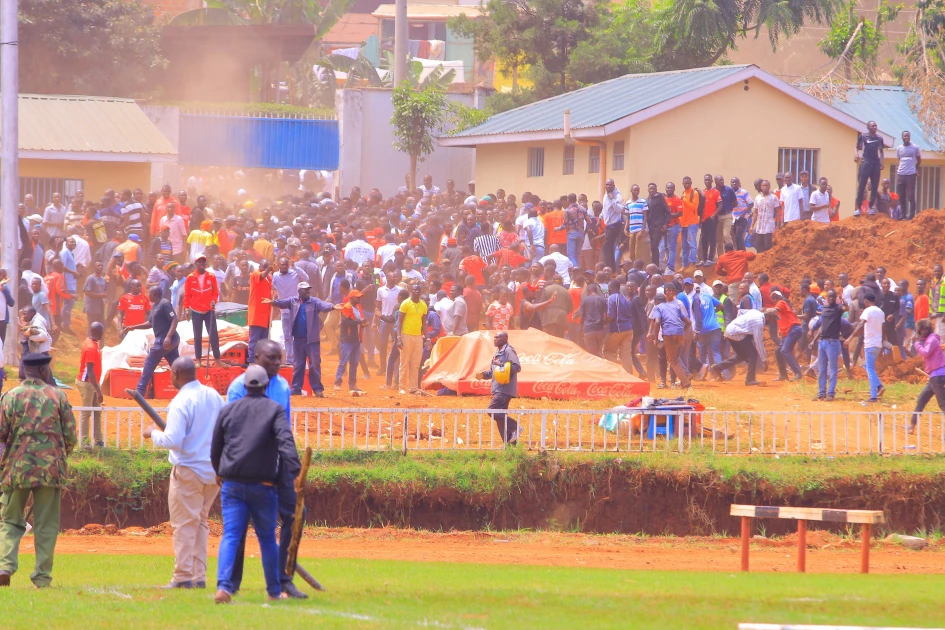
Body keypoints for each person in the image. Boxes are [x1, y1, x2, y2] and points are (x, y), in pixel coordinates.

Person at [212, 364, 301, 604]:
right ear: (265, 385)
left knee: (230, 535)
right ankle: (273, 591)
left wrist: (219, 472)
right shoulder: (274, 410)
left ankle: (223, 586)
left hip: (232, 483)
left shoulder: (228, 410)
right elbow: (285, 442)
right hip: (263, 485)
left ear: (244, 385)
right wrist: (296, 471)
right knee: (267, 538)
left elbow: (216, 447)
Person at [144, 357, 223, 590]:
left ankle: (182, 577)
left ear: (176, 374)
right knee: (200, 522)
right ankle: (198, 576)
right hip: (213, 471)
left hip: (189, 470)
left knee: (184, 525)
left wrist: (152, 433)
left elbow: (173, 440)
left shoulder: (180, 402)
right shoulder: (214, 396)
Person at [0, 352, 76, 588]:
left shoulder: (10, 396)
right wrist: (59, 455)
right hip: (50, 470)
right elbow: (71, 437)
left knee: (10, 520)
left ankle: (5, 566)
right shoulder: (58, 396)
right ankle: (42, 577)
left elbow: (1, 435)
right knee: (46, 525)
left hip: (16, 468)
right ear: (44, 371)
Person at [269, 282, 340, 397]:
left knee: (315, 364)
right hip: (298, 338)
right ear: (299, 291)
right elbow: (283, 302)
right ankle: (296, 388)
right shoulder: (293, 301)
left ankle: (317, 389)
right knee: (299, 364)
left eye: (308, 289)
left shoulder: (314, 301)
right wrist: (273, 302)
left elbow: (323, 305)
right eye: (305, 290)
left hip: (312, 339)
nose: (308, 291)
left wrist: (332, 306)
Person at [130, 286, 180, 397]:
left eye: (149, 293)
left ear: (153, 293)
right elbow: (149, 323)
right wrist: (133, 327)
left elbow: (174, 319)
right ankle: (186, 390)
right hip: (167, 341)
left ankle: (140, 391)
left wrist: (168, 337)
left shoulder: (164, 304)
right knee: (177, 367)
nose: (148, 296)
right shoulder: (155, 306)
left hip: (165, 340)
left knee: (149, 362)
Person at [477, 331, 522, 444]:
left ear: (505, 339)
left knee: (492, 411)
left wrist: (503, 366)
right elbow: (494, 372)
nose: (495, 339)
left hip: (504, 389)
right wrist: (483, 375)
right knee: (500, 418)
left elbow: (516, 367)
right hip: (498, 388)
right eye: (494, 337)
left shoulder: (508, 350)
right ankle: (510, 446)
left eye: (498, 337)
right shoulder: (497, 352)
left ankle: (515, 427)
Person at [709, 310, 773, 385]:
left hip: (730, 330)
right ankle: (750, 379)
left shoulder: (756, 312)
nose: (772, 322)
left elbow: (740, 311)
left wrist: (739, 324)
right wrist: (764, 360)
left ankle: (718, 367)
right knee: (753, 354)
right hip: (737, 334)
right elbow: (758, 341)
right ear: (768, 317)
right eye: (773, 319)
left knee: (741, 356)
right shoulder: (758, 322)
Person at [647, 283, 691, 388]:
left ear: (657, 302)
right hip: (678, 333)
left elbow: (657, 321)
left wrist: (656, 338)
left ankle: (685, 384)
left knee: (673, 360)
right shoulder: (675, 307)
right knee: (672, 357)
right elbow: (688, 322)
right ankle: (683, 376)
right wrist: (680, 331)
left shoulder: (660, 307)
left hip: (667, 335)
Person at [182, 254, 222, 367]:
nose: (201, 264)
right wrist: (186, 309)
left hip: (209, 310)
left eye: (203, 262)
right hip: (196, 311)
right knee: (197, 336)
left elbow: (215, 293)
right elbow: (187, 295)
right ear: (196, 264)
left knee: (213, 335)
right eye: (199, 262)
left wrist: (214, 301)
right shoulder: (190, 278)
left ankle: (217, 359)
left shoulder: (211, 276)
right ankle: (198, 360)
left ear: (206, 264)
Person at [271, 257, 309, 365]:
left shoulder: (294, 273)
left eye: (286, 265)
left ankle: (299, 357)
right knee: (287, 337)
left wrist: (295, 266)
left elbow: (306, 277)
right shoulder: (275, 275)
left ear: (288, 265)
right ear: (279, 264)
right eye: (282, 264)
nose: (284, 266)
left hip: (296, 310)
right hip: (284, 311)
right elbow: (271, 286)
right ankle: (289, 360)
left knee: (298, 335)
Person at [910, 318, 945, 433]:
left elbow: (925, 353)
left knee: (943, 404)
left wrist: (916, 343)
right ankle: (912, 425)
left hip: (938, 376)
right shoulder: (929, 339)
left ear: (924, 329)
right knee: (922, 399)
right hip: (934, 377)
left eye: (919, 331)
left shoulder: (932, 339)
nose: (919, 333)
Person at [851, 292, 886, 402]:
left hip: (870, 343)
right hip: (878, 344)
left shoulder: (868, 310)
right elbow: (884, 328)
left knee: (870, 369)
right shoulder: (881, 312)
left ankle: (873, 396)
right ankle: (879, 386)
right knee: (867, 366)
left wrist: (851, 337)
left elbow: (861, 324)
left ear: (866, 301)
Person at [75, 322, 105, 448]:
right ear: (98, 333)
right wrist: (98, 391)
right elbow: (90, 372)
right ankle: (84, 442)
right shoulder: (91, 348)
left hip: (91, 382)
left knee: (97, 411)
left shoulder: (92, 343)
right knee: (86, 412)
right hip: (87, 383)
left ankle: (98, 440)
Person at [810, 289, 843, 401]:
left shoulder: (838, 309)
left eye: (833, 297)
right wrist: (814, 340)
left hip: (832, 342)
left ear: (836, 298)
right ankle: (821, 393)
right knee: (821, 369)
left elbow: (845, 308)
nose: (831, 299)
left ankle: (831, 393)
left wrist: (845, 304)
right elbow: (822, 327)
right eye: (829, 297)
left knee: (833, 369)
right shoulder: (825, 309)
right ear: (827, 298)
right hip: (822, 342)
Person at [397, 282, 428, 395]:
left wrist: (427, 338)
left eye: (418, 290)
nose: (416, 292)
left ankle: (413, 388)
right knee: (404, 362)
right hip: (406, 335)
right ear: (411, 291)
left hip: (418, 337)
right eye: (414, 290)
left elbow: (424, 324)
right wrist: (399, 337)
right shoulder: (405, 303)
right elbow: (399, 322)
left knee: (415, 363)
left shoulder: (423, 305)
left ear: (420, 292)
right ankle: (402, 387)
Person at [335, 289, 368, 394]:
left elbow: (354, 322)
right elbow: (346, 322)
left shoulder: (357, 308)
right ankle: (337, 382)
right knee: (344, 362)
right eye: (357, 297)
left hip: (356, 339)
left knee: (354, 363)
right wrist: (360, 322)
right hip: (347, 339)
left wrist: (362, 324)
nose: (359, 299)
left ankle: (352, 384)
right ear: (352, 297)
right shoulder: (347, 307)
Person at [771, 290, 804, 382]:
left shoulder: (781, 302)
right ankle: (783, 375)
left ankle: (798, 373)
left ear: (780, 297)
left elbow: (776, 309)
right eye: (772, 298)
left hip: (794, 329)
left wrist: (770, 310)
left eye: (775, 297)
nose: (774, 299)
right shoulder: (780, 306)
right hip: (789, 332)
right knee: (778, 351)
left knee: (785, 350)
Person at [855, 121, 886, 214]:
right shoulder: (863, 136)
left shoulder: (879, 138)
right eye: (872, 126)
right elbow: (856, 147)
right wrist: (856, 154)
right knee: (861, 185)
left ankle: (871, 206)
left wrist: (882, 162)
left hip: (875, 163)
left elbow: (881, 151)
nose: (874, 127)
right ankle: (858, 208)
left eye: (875, 126)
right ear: (868, 127)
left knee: (874, 185)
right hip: (866, 162)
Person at [247, 259, 273, 364]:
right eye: (264, 266)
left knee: (264, 341)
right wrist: (268, 270)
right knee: (254, 340)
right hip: (256, 314)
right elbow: (262, 275)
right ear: (260, 266)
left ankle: (262, 361)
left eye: (267, 266)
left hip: (266, 314)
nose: (265, 268)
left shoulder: (269, 278)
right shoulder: (255, 274)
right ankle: (252, 360)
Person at [896, 130, 921, 220]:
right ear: (902, 137)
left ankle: (911, 215)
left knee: (911, 195)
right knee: (901, 196)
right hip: (901, 174)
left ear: (910, 137)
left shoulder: (915, 147)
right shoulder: (899, 148)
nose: (906, 138)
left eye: (908, 136)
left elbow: (919, 160)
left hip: (911, 174)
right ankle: (903, 215)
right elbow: (899, 159)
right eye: (905, 136)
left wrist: (915, 168)